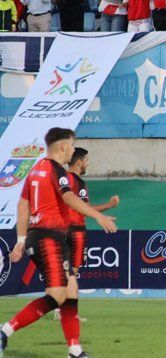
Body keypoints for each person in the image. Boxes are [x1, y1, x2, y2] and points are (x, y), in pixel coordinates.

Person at [0, 128, 116, 358]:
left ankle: (74, 350)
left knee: (71, 292)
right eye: (71, 145)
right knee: (56, 295)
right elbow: (69, 197)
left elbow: (23, 206)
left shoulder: (35, 171)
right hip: (48, 238)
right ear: (62, 146)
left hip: (41, 236)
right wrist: (98, 215)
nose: (72, 151)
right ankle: (4, 331)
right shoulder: (56, 171)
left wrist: (21, 240)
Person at [59, 147, 120, 321]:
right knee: (72, 272)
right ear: (78, 162)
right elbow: (85, 209)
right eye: (86, 161)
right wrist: (109, 205)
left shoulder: (62, 179)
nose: (87, 164)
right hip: (75, 230)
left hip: (61, 228)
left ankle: (60, 308)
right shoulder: (77, 182)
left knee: (65, 271)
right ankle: (68, 311)